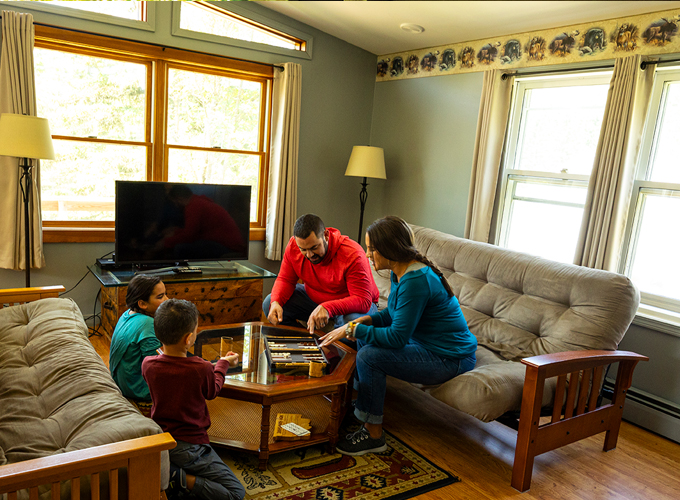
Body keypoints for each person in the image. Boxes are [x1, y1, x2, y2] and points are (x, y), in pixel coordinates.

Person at [320, 216, 477, 456]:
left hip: (450, 358)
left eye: (372, 248)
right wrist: (366, 321)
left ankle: (373, 434)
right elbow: (393, 315)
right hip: (426, 344)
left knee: (370, 355)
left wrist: (352, 329)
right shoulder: (401, 271)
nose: (367, 253)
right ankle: (365, 408)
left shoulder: (416, 281)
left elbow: (396, 338)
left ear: (390, 248)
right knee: (365, 336)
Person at [142, 299, 245, 500]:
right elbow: (212, 390)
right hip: (191, 446)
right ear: (189, 339)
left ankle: (167, 466)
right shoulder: (202, 368)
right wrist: (223, 363)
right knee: (236, 493)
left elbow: (171, 371)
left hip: (162, 439)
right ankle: (178, 477)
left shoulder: (148, 364)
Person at [264, 214, 380, 334]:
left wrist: (327, 307)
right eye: (303, 249)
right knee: (270, 303)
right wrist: (276, 301)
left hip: (352, 305)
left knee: (352, 323)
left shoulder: (352, 254)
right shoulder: (293, 245)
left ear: (326, 235)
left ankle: (335, 351)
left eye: (314, 247)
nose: (309, 255)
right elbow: (285, 279)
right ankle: (304, 343)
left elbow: (362, 301)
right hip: (315, 299)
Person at [109, 274, 168, 403]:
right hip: (136, 389)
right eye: (160, 296)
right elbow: (156, 367)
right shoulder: (147, 324)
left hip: (119, 382)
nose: (167, 299)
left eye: (165, 294)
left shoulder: (127, 314)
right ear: (142, 303)